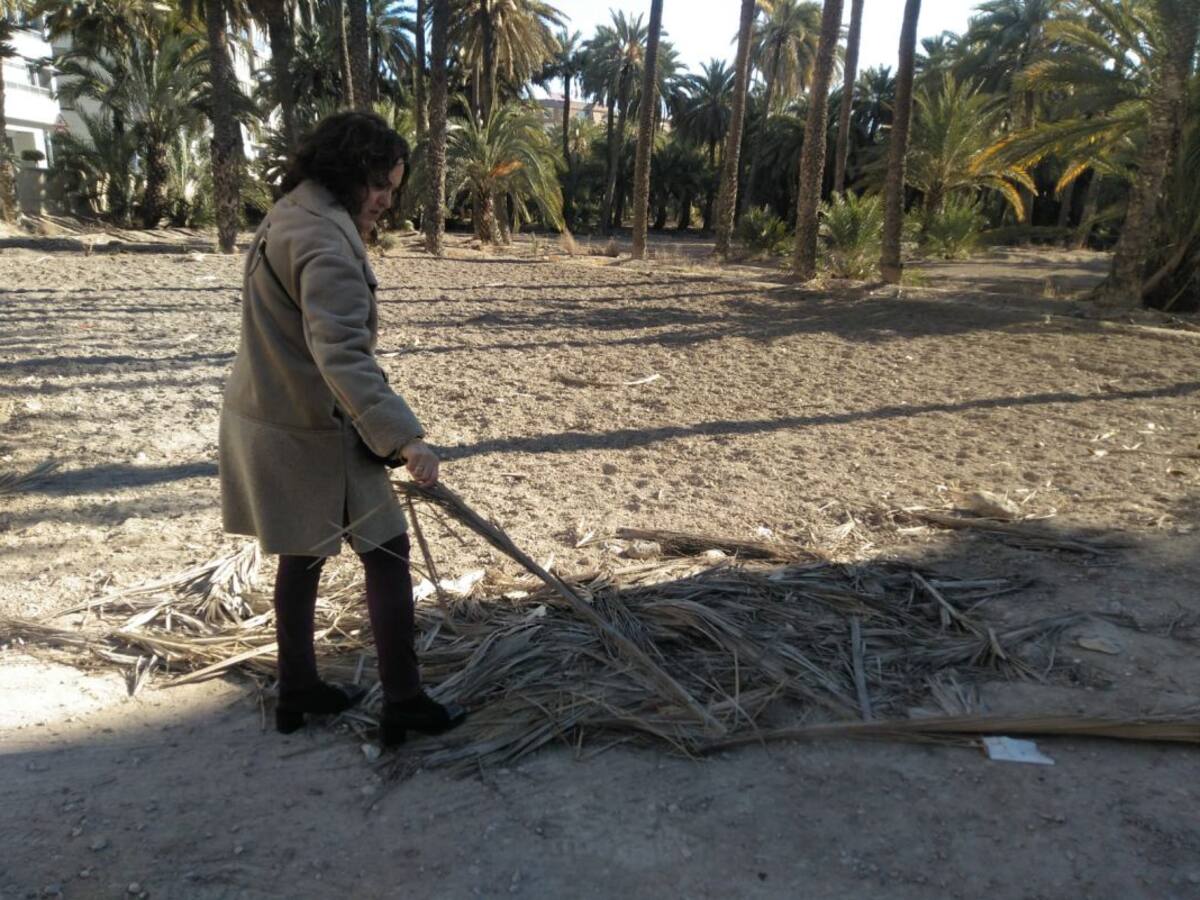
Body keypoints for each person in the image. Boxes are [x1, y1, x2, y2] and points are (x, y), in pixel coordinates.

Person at [218, 111, 465, 747]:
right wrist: (403, 438)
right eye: (379, 185)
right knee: (386, 553)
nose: (387, 200)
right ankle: (404, 702)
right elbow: (342, 356)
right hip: (314, 428)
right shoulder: (327, 242)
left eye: (393, 187)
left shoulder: (291, 211)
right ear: (347, 173)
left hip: (276, 416)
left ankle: (298, 689)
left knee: (301, 553)